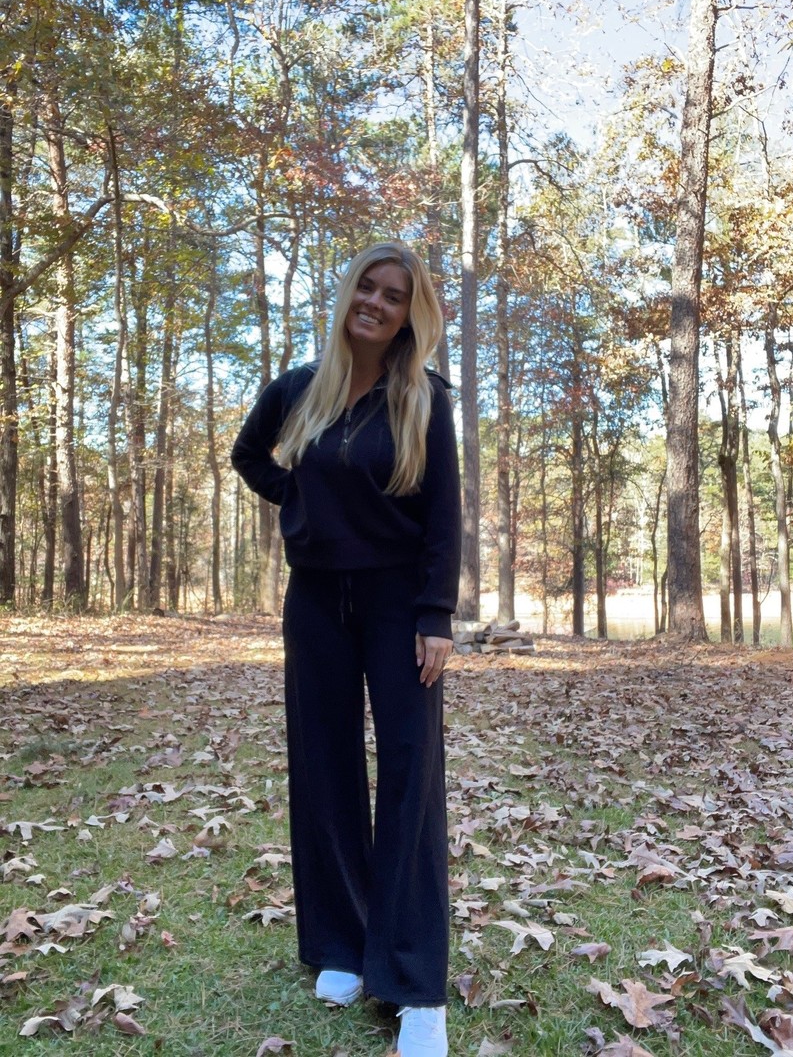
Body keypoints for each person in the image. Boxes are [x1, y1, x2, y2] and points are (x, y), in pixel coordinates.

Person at [231, 242, 461, 1057]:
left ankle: (415, 983)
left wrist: (436, 615)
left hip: (400, 606)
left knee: (409, 775)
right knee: (323, 767)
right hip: (316, 603)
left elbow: (443, 514)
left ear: (409, 314)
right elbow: (249, 456)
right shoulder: (298, 389)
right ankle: (341, 941)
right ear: (348, 293)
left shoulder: (424, 398)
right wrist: (298, 498)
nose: (376, 302)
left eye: (394, 295)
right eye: (368, 286)